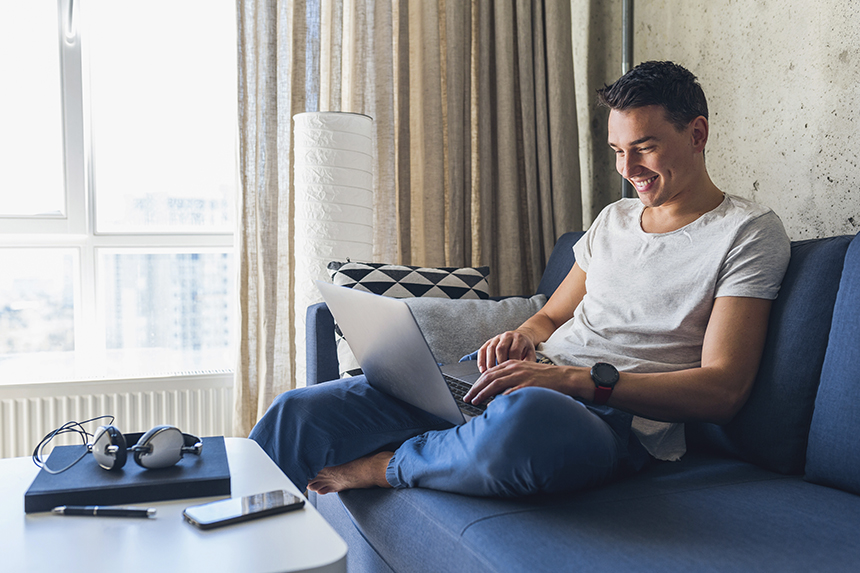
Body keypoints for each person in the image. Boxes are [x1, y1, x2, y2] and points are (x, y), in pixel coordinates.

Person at [249, 61, 791, 498]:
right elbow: (552, 315)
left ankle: (393, 465)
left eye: (644, 147)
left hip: (608, 419)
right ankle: (232, 534)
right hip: (530, 384)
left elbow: (723, 389)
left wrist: (574, 381)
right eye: (617, 152)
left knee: (526, 421)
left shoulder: (747, 232)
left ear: (696, 134)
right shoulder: (613, 220)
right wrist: (525, 339)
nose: (629, 168)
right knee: (298, 413)